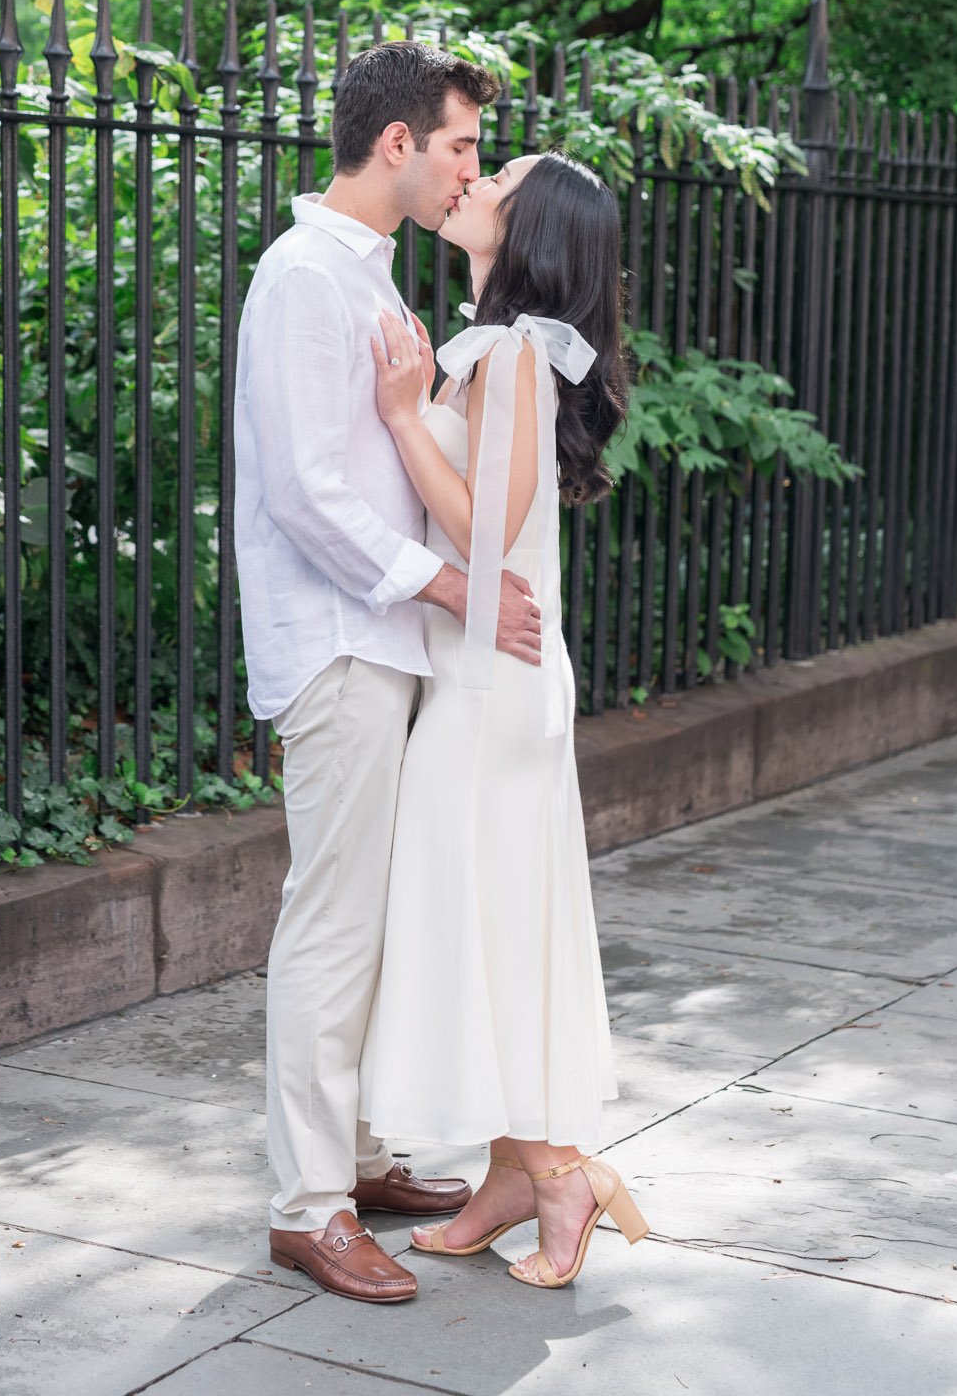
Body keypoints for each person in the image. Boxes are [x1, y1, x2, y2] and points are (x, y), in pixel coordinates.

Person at [234, 42, 547, 1306]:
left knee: (371, 917)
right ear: (398, 142)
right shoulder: (305, 275)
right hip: (340, 643)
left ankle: (355, 1158)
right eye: (463, 143)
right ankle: (307, 1208)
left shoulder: (366, 274)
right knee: (334, 919)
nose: (472, 165)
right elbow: (306, 490)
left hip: (388, 642)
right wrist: (453, 586)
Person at [358, 152, 651, 1289]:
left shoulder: (519, 351)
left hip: (490, 690)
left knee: (474, 927)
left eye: (499, 177)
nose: (471, 180)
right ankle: (510, 1174)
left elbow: (487, 527)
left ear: (529, 228)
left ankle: (559, 1171)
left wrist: (398, 413)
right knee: (489, 928)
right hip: (481, 676)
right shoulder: (498, 348)